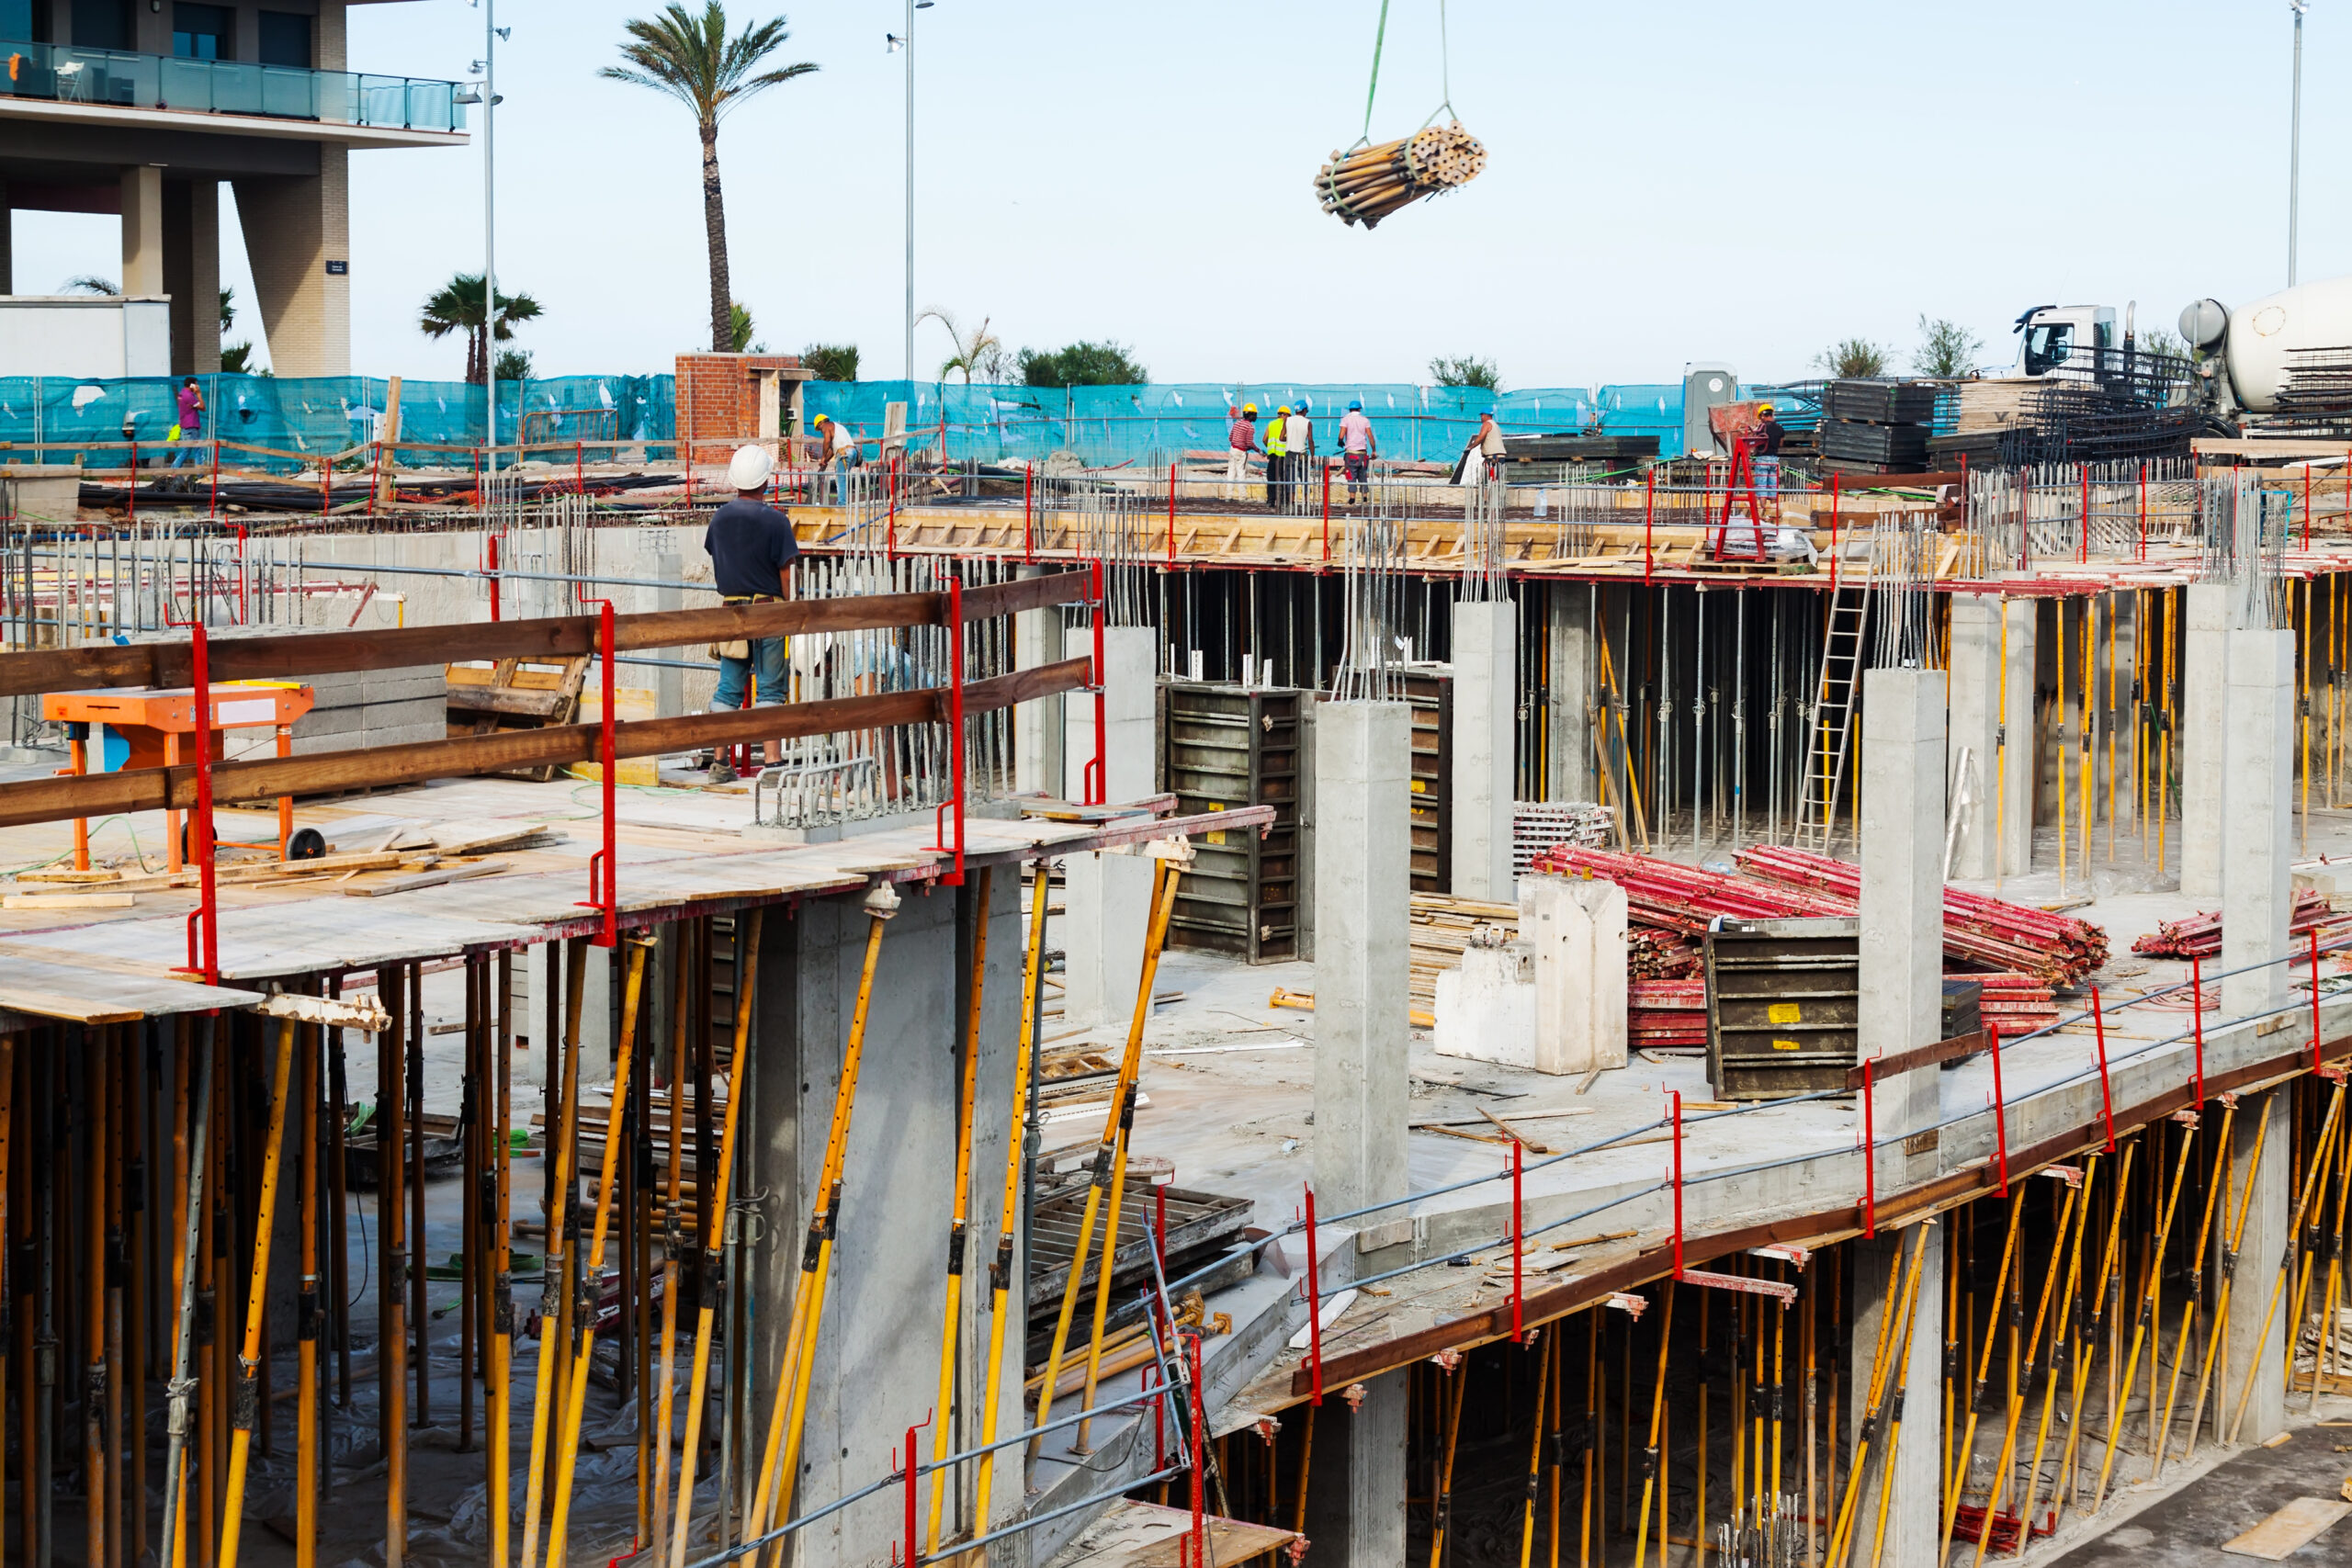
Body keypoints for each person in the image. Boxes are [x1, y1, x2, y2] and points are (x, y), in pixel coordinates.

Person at [701, 444, 799, 780]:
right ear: (766, 481)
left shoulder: (719, 518)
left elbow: (716, 557)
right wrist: (791, 607)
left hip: (731, 611)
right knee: (770, 688)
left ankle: (720, 764)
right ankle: (772, 765)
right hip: (768, 611)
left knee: (728, 687)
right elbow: (786, 572)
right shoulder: (776, 521)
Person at [815, 412, 859, 505]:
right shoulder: (837, 427)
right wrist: (825, 461)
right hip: (853, 453)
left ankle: (841, 504)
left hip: (844, 454)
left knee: (841, 479)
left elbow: (827, 441)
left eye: (819, 429)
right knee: (842, 478)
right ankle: (843, 503)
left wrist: (823, 456)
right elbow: (832, 449)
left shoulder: (826, 426)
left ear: (820, 423)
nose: (821, 431)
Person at [1340, 398, 1376, 503]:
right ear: (1359, 409)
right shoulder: (1365, 420)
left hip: (1351, 454)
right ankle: (1364, 499)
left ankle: (1352, 499)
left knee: (1351, 475)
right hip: (1362, 454)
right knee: (1363, 475)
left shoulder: (1346, 419)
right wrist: (1374, 450)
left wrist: (1340, 441)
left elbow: (1341, 435)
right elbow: (1370, 436)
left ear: (1350, 409)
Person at [1462, 408, 1506, 484]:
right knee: (1497, 480)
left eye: (1481, 416)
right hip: (1500, 456)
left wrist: (1470, 448)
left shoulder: (1487, 424)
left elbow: (1480, 438)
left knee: (1491, 481)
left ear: (1485, 415)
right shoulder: (1495, 425)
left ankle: (1491, 495)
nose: (1481, 418)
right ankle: (1495, 494)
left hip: (1493, 457)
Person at [171, 377, 204, 468]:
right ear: (192, 385)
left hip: (185, 426)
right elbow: (203, 407)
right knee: (198, 449)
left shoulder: (181, 394)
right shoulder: (189, 396)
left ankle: (173, 470)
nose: (197, 386)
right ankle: (200, 473)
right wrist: (199, 394)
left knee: (186, 450)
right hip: (191, 426)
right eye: (196, 384)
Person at [1287, 398, 1315, 508]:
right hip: (1302, 453)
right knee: (1304, 478)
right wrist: (1313, 456)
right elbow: (1310, 440)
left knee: (1291, 479)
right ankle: (1307, 501)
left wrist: (1290, 438)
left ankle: (1292, 501)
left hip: (1289, 453)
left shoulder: (1288, 420)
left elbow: (1281, 437)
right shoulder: (1307, 422)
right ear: (1304, 410)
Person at [1263, 405, 1290, 509]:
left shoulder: (1271, 424)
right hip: (1283, 456)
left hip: (1272, 456)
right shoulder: (1287, 424)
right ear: (1286, 415)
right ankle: (1283, 501)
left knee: (1271, 479)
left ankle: (1270, 501)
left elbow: (1264, 439)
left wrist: (1269, 448)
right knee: (1284, 479)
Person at [1227, 402, 1259, 491]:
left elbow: (1230, 438)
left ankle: (1228, 496)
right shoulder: (1250, 427)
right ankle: (1242, 496)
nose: (1256, 416)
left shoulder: (1237, 424)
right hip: (1241, 452)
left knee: (1231, 473)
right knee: (1241, 473)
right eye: (1255, 414)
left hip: (1232, 449)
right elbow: (1249, 443)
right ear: (1251, 415)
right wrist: (1258, 450)